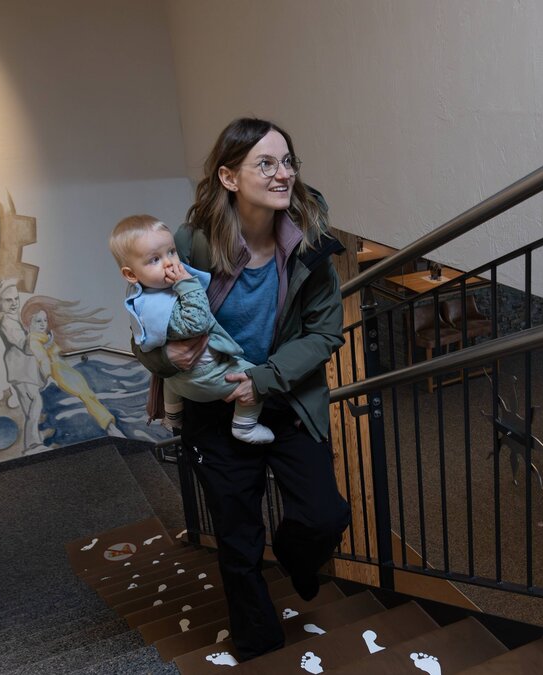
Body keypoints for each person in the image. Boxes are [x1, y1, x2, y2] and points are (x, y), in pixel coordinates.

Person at [152, 118, 351, 660]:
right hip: (216, 413)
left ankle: (295, 556)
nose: (282, 173)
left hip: (285, 401)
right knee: (238, 541)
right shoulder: (191, 242)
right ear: (229, 176)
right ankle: (259, 644)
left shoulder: (310, 242)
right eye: (266, 164)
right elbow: (148, 319)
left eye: (288, 162)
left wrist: (262, 379)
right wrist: (162, 356)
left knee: (324, 515)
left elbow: (326, 331)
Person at [109, 215, 274, 444]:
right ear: (130, 274)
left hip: (177, 379)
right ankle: (245, 426)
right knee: (253, 376)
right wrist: (188, 284)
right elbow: (197, 323)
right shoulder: (157, 306)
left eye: (171, 252)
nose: (169, 263)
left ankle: (173, 414)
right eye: (154, 259)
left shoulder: (142, 295)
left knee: (167, 378)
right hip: (202, 377)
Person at [22, 302, 126, 438]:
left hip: (67, 371)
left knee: (88, 395)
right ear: (28, 324)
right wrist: (49, 377)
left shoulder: (44, 338)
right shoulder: (34, 340)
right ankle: (110, 427)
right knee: (86, 396)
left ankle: (110, 425)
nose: (43, 324)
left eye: (45, 320)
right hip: (59, 374)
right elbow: (43, 359)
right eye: (38, 321)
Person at [0, 278, 45, 453]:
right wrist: (40, 335)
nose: (14, 303)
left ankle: (33, 442)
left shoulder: (17, 319)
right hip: (20, 369)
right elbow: (26, 347)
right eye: (8, 300)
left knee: (31, 405)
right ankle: (32, 442)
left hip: (26, 369)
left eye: (16, 299)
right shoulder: (7, 323)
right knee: (35, 402)